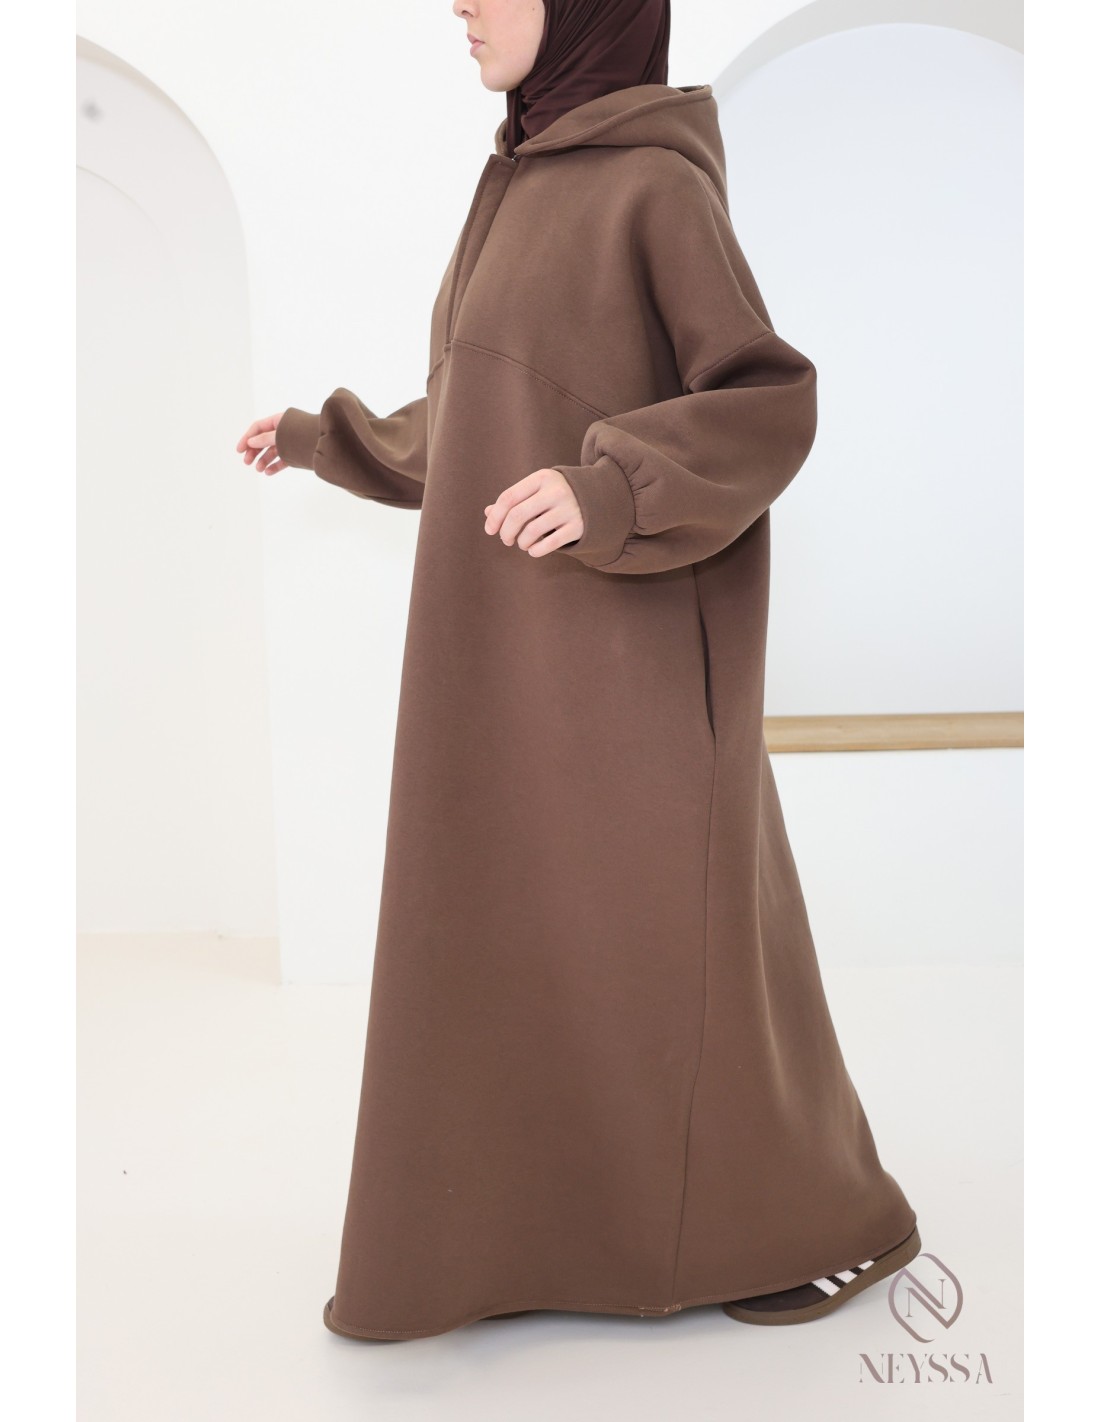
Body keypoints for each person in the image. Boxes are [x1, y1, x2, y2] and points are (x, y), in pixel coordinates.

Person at [237, 0, 920, 1343]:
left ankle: (814, 1219)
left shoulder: (653, 187)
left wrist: (612, 488)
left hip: (627, 664)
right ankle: (539, 1237)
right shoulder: (516, 182)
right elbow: (485, 411)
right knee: (519, 943)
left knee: (666, 957)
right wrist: (330, 438)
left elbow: (764, 398)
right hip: (506, 657)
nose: (461, 4)